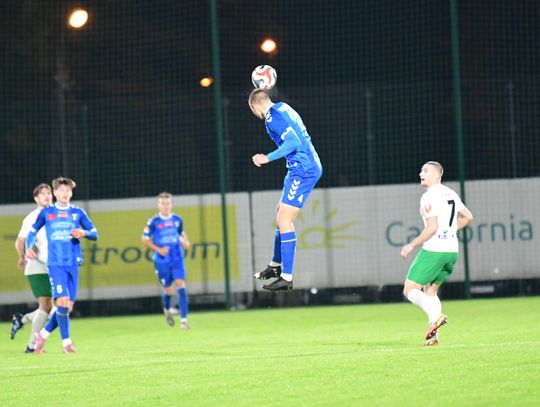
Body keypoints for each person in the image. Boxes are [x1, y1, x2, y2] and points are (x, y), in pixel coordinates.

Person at [249, 89, 323, 291]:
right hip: (299, 167)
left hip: (303, 169)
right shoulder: (283, 107)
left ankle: (287, 277)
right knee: (280, 213)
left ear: (254, 106)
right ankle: (275, 266)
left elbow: (293, 142)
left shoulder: (271, 118)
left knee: (284, 220)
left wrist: (267, 158)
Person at [400, 161, 473, 346]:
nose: (421, 174)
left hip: (435, 250)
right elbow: (468, 217)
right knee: (430, 291)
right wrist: (449, 231)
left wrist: (411, 245)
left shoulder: (428, 196)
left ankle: (436, 316)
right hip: (451, 251)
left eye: (425, 171)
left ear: (436, 175)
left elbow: (432, 228)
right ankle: (433, 338)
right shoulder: (450, 193)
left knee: (409, 290)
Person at [25, 177, 99, 353]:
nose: (65, 193)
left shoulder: (78, 212)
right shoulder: (47, 212)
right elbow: (33, 231)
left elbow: (95, 233)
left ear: (71, 193)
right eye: (61, 190)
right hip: (55, 264)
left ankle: (43, 335)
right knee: (62, 302)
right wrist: (28, 247)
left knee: (67, 308)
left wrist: (83, 232)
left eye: (68, 191)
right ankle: (67, 343)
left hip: (73, 263)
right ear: (55, 193)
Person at [11, 183, 54, 353]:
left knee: (56, 307)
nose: (46, 196)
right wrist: (22, 257)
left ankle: (22, 319)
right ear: (36, 198)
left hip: (53, 265)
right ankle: (32, 346)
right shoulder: (32, 217)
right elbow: (20, 241)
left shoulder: (57, 214)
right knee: (46, 305)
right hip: (37, 265)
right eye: (42, 194)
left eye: (49, 193)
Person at [142, 192, 191, 329]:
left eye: (168, 203)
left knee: (181, 284)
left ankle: (184, 321)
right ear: (158, 205)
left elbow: (182, 235)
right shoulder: (153, 222)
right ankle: (167, 309)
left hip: (177, 257)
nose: (166, 206)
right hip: (162, 260)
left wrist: (185, 242)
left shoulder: (177, 219)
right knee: (169, 290)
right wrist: (158, 249)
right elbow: (144, 239)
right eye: (163, 204)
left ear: (171, 204)